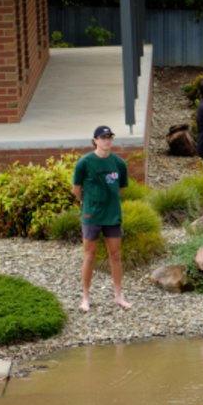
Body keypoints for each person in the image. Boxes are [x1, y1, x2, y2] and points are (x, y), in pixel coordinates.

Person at [72, 125, 132, 312]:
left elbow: (120, 188)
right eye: (103, 137)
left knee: (115, 256)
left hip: (112, 215)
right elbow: (76, 189)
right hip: (91, 216)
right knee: (89, 255)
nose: (107, 140)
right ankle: (86, 297)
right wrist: (87, 203)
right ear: (95, 140)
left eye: (109, 137)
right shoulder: (84, 163)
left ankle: (118, 296)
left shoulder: (119, 164)